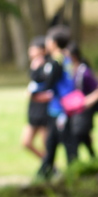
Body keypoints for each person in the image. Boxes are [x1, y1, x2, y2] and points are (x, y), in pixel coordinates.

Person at [36, 26, 79, 181]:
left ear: (54, 43)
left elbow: (48, 83)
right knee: (52, 141)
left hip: (60, 108)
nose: (46, 42)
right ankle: (44, 171)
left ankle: (74, 173)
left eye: (48, 39)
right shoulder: (66, 58)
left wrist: (36, 91)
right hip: (62, 107)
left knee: (67, 142)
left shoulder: (56, 61)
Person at [65, 43, 98, 159]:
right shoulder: (70, 71)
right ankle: (93, 158)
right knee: (83, 136)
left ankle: (76, 161)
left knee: (79, 135)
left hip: (84, 110)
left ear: (74, 56)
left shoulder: (84, 72)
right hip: (74, 110)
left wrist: (86, 102)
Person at [21, 36, 53, 159]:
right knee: (26, 142)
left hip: (43, 110)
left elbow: (47, 87)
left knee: (47, 144)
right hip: (34, 110)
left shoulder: (48, 66)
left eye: (34, 49)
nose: (31, 52)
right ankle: (50, 166)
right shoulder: (34, 65)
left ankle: (51, 168)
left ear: (43, 51)